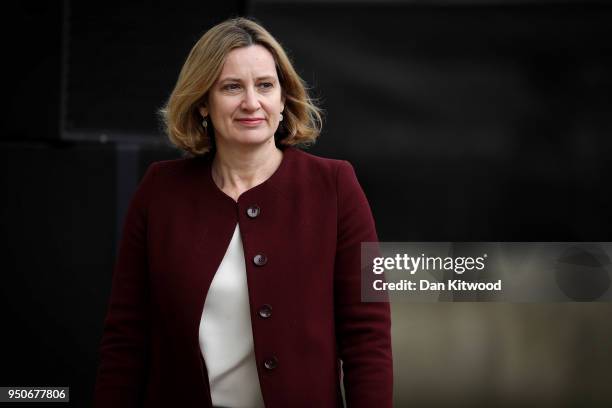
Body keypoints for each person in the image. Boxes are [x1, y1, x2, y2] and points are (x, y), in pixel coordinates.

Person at [93, 17, 392, 408]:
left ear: (284, 99)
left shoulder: (336, 185)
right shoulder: (159, 191)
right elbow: (126, 338)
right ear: (203, 103)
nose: (252, 102)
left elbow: (367, 336)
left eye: (265, 85)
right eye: (232, 87)